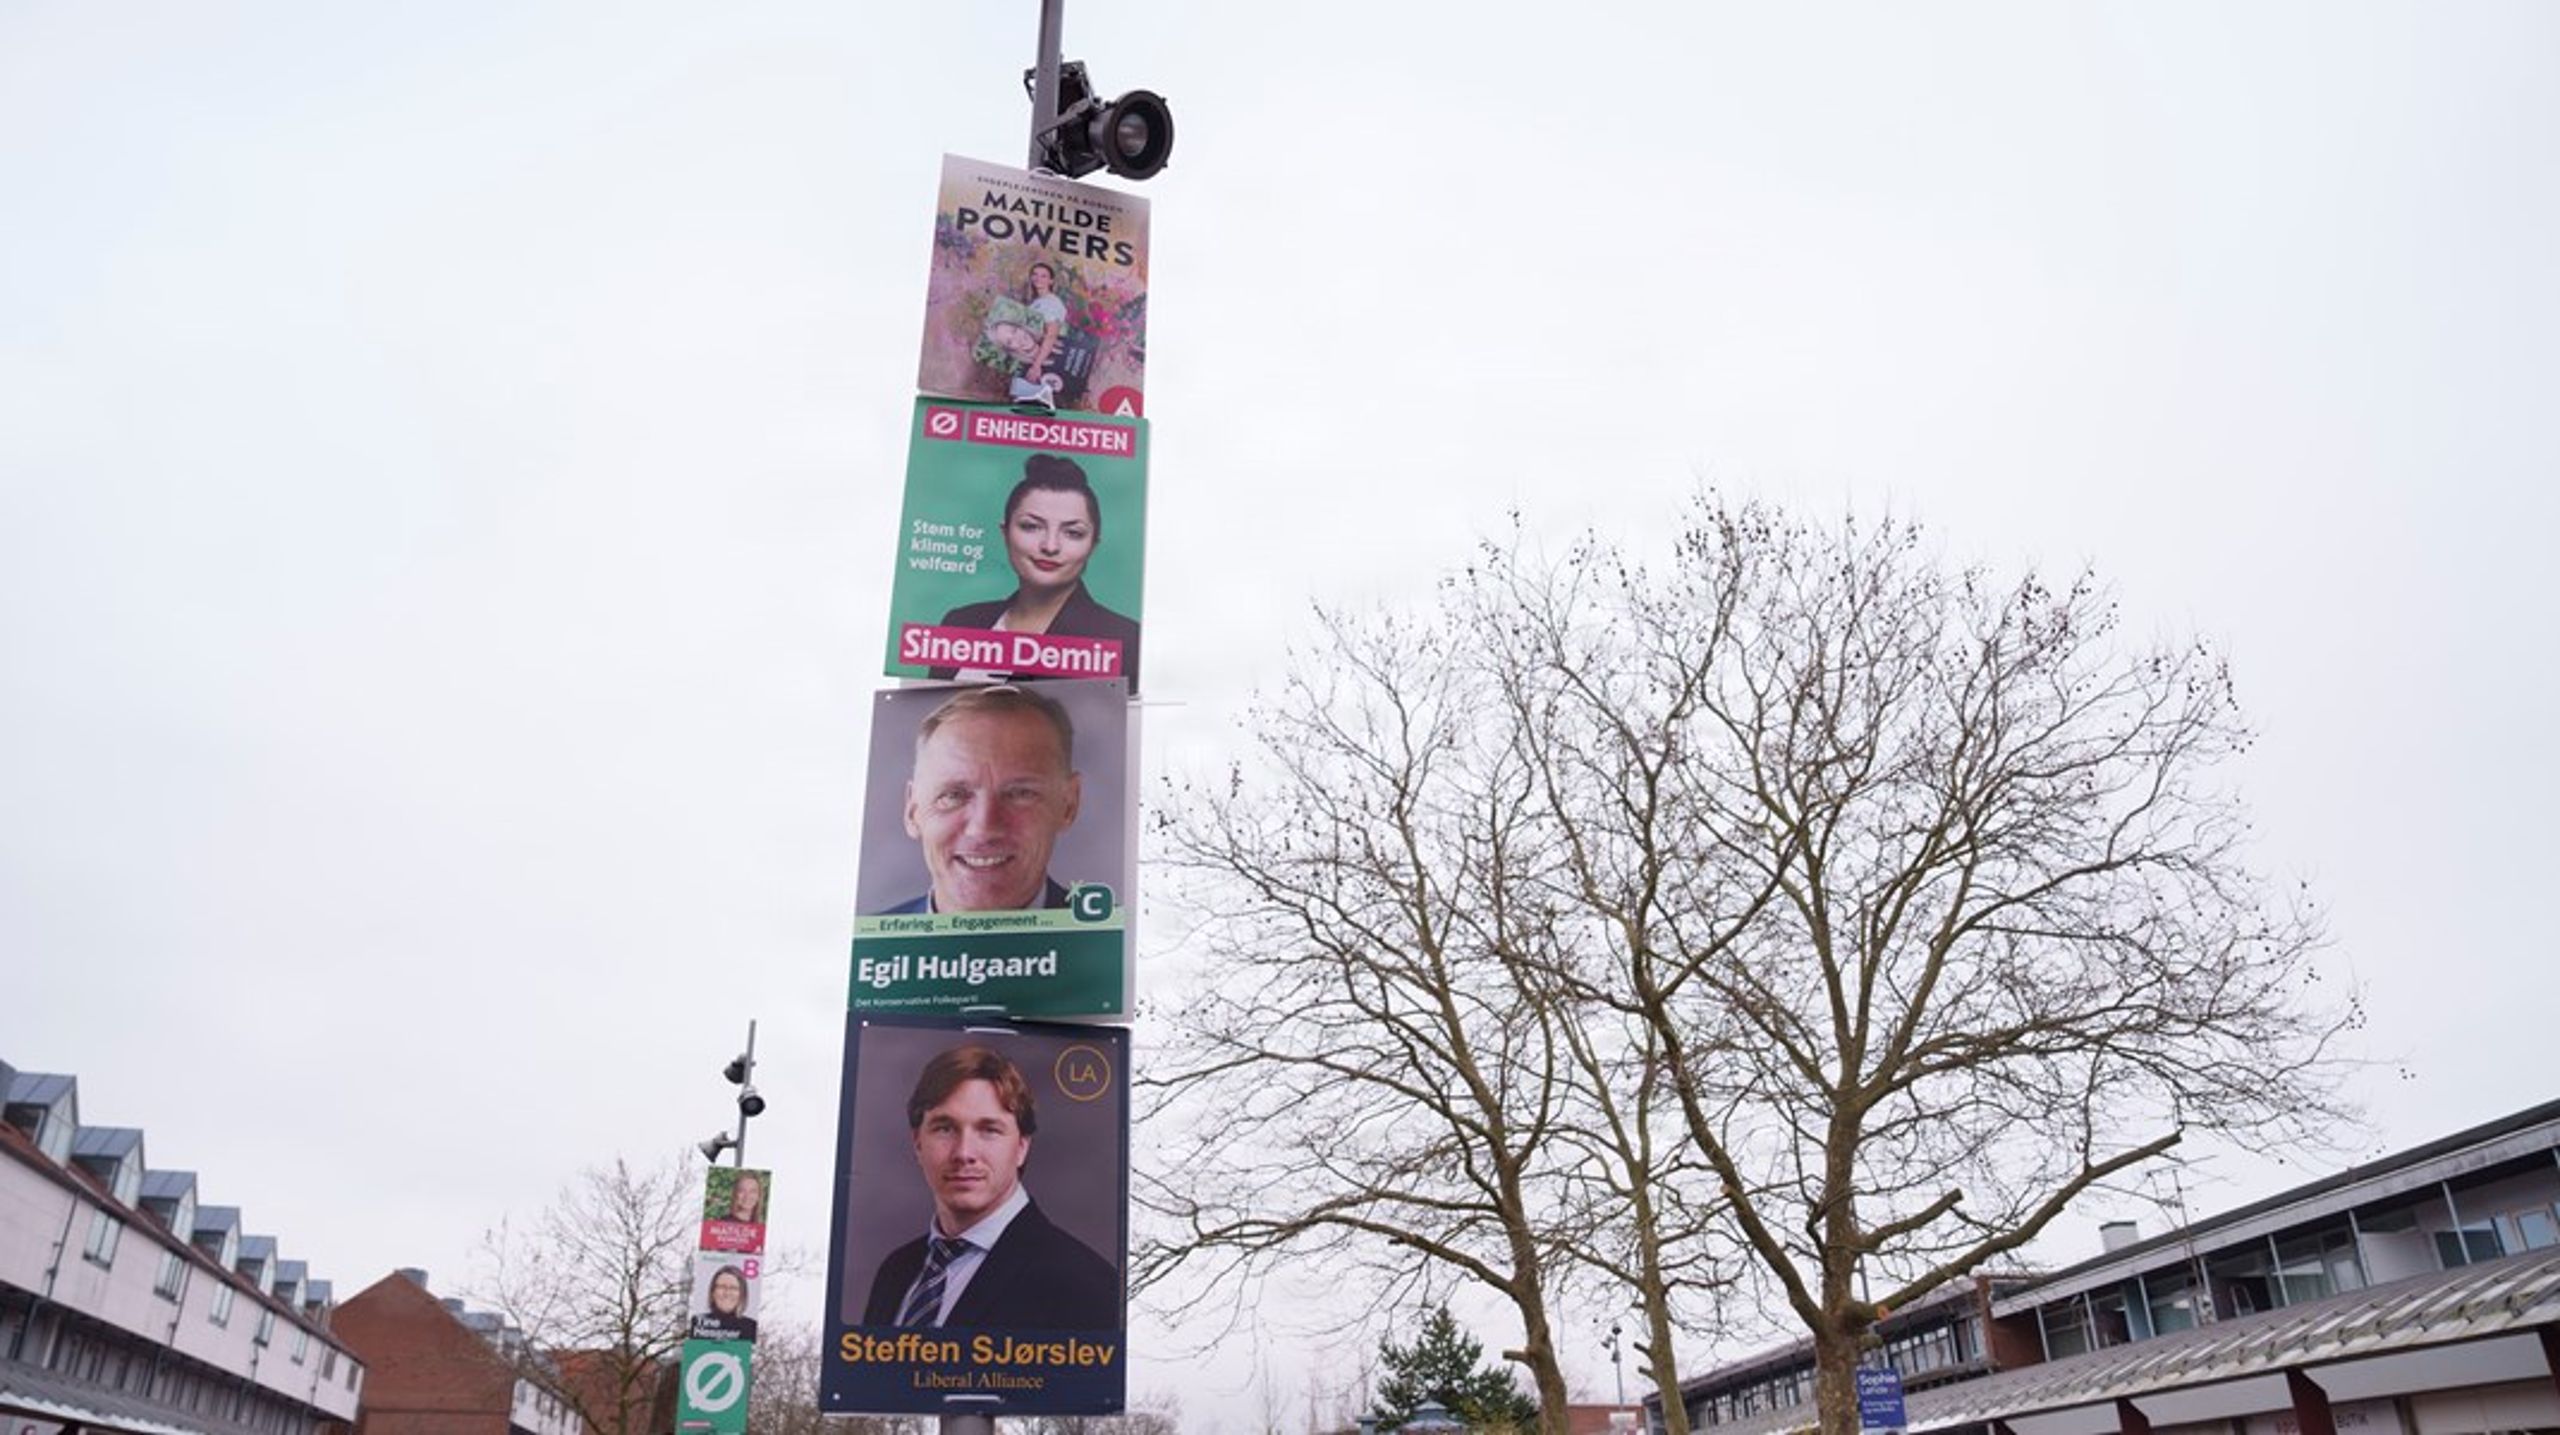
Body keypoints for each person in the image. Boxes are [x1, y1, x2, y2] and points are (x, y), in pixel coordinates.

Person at [860, 1044, 1118, 1331]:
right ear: (917, 1143)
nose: (964, 1153)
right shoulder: (895, 1272)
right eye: (945, 1128)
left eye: (989, 1130)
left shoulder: (1084, 1283)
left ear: (1021, 1147)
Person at [928, 453, 1143, 692]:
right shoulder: (960, 624)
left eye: (1073, 533)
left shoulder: (1124, 640)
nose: (1050, 546)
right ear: (1005, 532)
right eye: (1031, 526)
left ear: (1093, 544)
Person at [883, 686, 1082, 915]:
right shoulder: (870, 944)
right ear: (912, 811)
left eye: (1019, 794)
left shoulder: (1114, 937)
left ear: (1069, 804)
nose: (983, 830)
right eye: (953, 795)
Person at [691, 1264, 758, 1342]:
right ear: (713, 1292)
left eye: (733, 1288)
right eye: (722, 1287)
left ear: (742, 1294)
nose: (727, 1293)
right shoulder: (698, 1322)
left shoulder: (750, 1326)